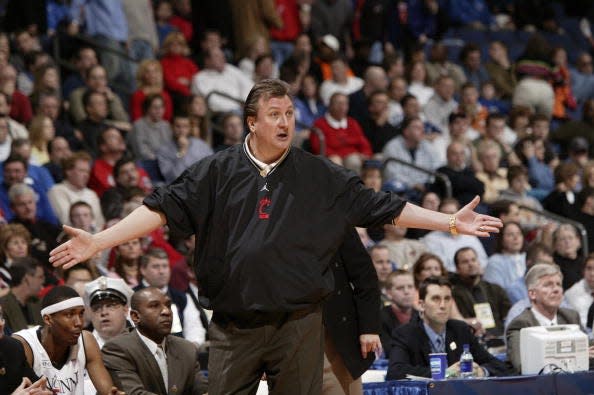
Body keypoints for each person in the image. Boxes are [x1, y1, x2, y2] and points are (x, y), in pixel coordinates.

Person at [50, 79, 502, 394]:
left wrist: (447, 222)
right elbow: (160, 207)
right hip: (233, 322)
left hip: (299, 322)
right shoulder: (216, 170)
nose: (285, 122)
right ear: (252, 122)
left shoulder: (318, 174)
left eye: (289, 113)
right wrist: (99, 241)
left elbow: (380, 205)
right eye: (274, 115)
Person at [386, 276, 510, 380]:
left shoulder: (460, 330)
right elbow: (395, 372)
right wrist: (445, 373)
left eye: (447, 299)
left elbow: (499, 365)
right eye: (436, 299)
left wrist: (482, 371)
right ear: (421, 305)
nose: (443, 305)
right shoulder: (405, 334)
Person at [13, 286, 123, 394]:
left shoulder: (86, 341)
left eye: (81, 314)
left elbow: (107, 391)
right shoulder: (23, 345)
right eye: (69, 314)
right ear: (48, 319)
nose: (79, 323)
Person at [101, 287, 207, 394]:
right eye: (154, 306)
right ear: (135, 316)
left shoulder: (185, 348)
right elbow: (134, 393)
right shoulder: (117, 349)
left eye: (168, 305)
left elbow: (203, 390)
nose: (166, 311)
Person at [323, 228, 382, 395]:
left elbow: (365, 277)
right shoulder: (277, 220)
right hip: (295, 325)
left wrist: (369, 327)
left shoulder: (336, 216)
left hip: (337, 326)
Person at [505, 263, 585, 372]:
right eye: (548, 285)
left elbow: (589, 350)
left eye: (558, 284)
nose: (556, 289)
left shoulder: (571, 317)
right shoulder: (520, 325)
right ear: (532, 294)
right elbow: (522, 366)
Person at [82, 276, 133, 394]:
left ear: (125, 310)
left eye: (110, 306)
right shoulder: (80, 346)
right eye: (97, 308)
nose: (104, 313)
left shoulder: (141, 341)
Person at [450, 247, 511, 338]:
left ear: (479, 263)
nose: (470, 264)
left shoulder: (495, 289)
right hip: (473, 340)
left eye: (473, 260)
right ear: (457, 269)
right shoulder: (454, 294)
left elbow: (509, 316)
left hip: (501, 338)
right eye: (465, 262)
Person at [0, 305, 47, 394]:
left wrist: (43, 391)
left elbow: (34, 384)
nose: (0, 323)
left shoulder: (12, 347)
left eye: (0, 315)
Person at [0, 257, 44, 334]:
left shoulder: (38, 304)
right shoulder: (3, 307)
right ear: (27, 279)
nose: (43, 281)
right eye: (40, 277)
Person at [380, 270, 418, 355]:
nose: (406, 292)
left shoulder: (422, 316)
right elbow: (389, 350)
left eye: (410, 287)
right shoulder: (380, 318)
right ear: (389, 293)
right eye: (400, 288)